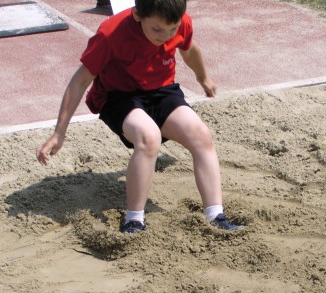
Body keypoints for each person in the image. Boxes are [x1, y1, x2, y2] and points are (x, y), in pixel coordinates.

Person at [36, 0, 243, 233]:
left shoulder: (178, 20)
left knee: (201, 135)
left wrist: (203, 77)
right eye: (156, 30)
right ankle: (134, 219)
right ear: (137, 15)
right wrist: (59, 132)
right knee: (148, 137)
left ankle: (215, 215)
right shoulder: (111, 33)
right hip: (119, 97)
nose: (165, 36)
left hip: (161, 92)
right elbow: (79, 81)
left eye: (172, 30)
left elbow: (189, 48)